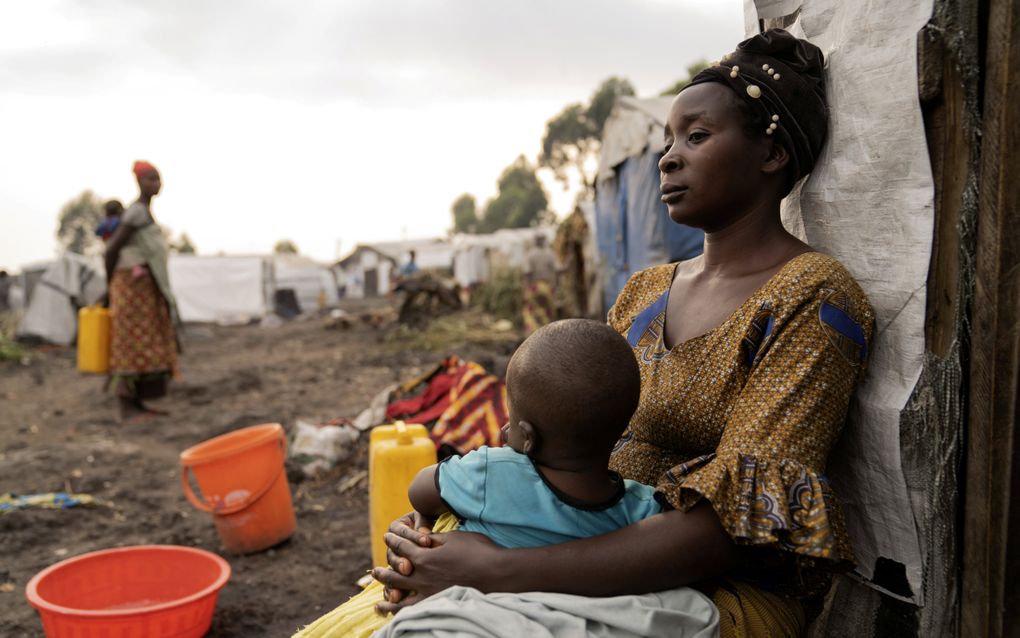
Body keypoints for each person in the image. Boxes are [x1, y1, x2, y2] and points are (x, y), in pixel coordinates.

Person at [369, 29, 876, 638]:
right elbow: (561, 449)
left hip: (713, 591)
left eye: (696, 136)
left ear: (770, 155)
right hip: (566, 545)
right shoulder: (643, 292)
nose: (668, 157)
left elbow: (733, 532)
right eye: (667, 140)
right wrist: (449, 526)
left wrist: (498, 569)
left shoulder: (812, 297)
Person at [295, 319, 719, 637]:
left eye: (512, 423)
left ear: (527, 438)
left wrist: (422, 524)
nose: (503, 433)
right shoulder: (642, 507)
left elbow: (420, 488)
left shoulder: (490, 472)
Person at [104, 161, 180, 422]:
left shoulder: (143, 212)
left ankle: (138, 403)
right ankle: (126, 404)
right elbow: (111, 250)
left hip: (144, 288)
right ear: (139, 182)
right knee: (129, 344)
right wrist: (110, 286)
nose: (156, 184)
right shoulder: (135, 212)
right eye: (150, 179)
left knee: (145, 343)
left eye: (158, 179)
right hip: (131, 287)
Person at [521, 234, 559, 335]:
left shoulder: (530, 255)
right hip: (547, 287)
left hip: (534, 287)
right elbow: (558, 270)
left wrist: (527, 288)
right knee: (548, 311)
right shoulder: (550, 254)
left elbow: (527, 273)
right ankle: (548, 333)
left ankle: (532, 335)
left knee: (531, 312)